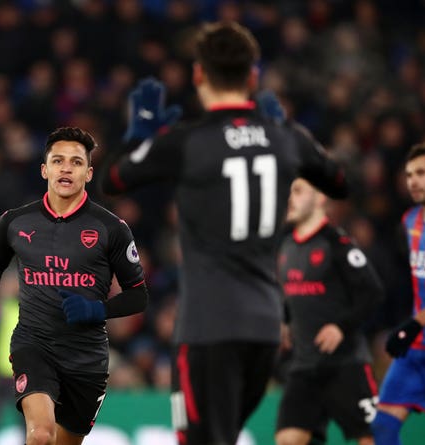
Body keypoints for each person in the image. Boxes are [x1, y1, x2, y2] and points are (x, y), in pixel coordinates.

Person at [99, 22, 348, 444]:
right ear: (253, 77)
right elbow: (339, 181)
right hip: (265, 329)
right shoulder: (286, 138)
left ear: (198, 75)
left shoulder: (186, 142)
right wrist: (284, 135)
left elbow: (113, 180)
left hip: (207, 328)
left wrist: (140, 136)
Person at [0, 126, 148, 445]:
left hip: (87, 356)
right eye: (57, 161)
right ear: (45, 169)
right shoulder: (15, 222)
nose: (66, 168)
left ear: (88, 172)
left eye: (75, 162)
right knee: (40, 435)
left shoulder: (111, 229)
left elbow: (138, 296)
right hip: (33, 345)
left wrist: (97, 309)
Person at [275, 178, 384, 445]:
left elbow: (372, 292)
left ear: (320, 197)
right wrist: (285, 321)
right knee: (289, 438)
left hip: (344, 364)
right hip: (304, 365)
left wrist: (340, 326)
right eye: (289, 192)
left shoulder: (337, 243)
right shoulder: (286, 246)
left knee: (372, 438)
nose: (290, 198)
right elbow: (293, 293)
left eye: (298, 191)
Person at [372, 143, 425, 445]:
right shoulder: (410, 221)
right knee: (382, 427)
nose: (412, 181)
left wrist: (414, 323)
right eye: (408, 175)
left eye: (421, 173)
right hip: (417, 348)